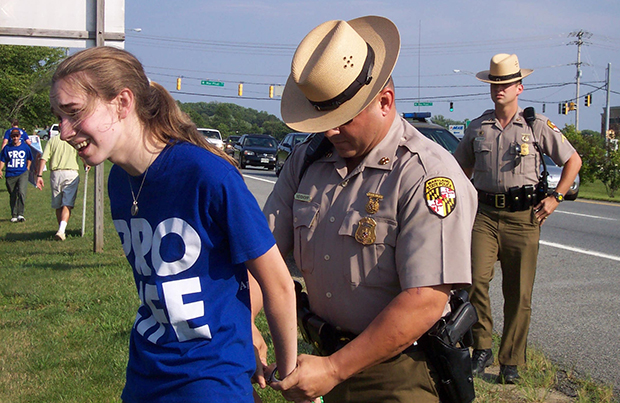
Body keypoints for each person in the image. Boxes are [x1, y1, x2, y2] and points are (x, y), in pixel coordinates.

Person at [49, 46, 297, 403]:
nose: (64, 130)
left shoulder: (206, 173)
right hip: (145, 374)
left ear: (122, 102)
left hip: (209, 378)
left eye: (73, 113)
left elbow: (278, 284)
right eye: (59, 117)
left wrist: (289, 377)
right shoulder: (118, 181)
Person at [262, 16, 478, 403]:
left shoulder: (428, 174)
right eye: (321, 119)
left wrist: (333, 369)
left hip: (396, 372)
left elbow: (425, 299)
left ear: (384, 102)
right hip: (322, 354)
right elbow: (264, 255)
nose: (328, 131)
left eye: (340, 119)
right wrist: (246, 329)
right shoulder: (308, 161)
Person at [453, 53, 582, 384]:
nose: (500, 89)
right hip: (484, 216)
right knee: (475, 283)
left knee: (519, 293)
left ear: (519, 88)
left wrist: (556, 198)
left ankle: (510, 360)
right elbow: (459, 171)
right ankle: (481, 347)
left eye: (506, 84)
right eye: (495, 83)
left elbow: (573, 161)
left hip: (524, 218)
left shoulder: (536, 125)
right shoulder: (477, 127)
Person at [36, 130, 85, 241]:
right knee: (67, 203)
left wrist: (39, 175)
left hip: (56, 174)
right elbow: (82, 153)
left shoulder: (52, 140)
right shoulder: (73, 140)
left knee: (58, 204)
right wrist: (85, 163)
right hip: (71, 173)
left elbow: (44, 158)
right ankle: (62, 230)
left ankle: (61, 230)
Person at [0, 129, 33, 222]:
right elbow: (2, 160)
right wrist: (0, 169)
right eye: (13, 136)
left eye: (16, 136)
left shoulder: (25, 147)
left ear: (19, 137)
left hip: (22, 173)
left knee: (22, 192)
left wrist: (28, 167)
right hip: (10, 174)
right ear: (11, 137)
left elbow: (29, 158)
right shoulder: (7, 148)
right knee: (13, 194)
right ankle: (14, 215)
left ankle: (20, 214)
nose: (15, 138)